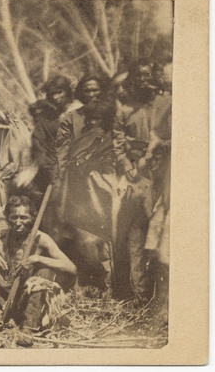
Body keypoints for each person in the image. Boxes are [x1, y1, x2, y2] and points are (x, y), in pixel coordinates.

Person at [0, 195, 76, 346]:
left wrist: (38, 259)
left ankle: (29, 327)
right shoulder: (0, 237)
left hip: (25, 299)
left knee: (44, 272)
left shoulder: (41, 239)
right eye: (14, 217)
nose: (18, 223)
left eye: (24, 218)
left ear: (32, 218)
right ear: (7, 218)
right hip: (0, 294)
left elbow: (71, 268)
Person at [112, 58, 171, 303]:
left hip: (164, 171)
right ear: (132, 79)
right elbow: (117, 142)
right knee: (135, 230)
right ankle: (139, 293)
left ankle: (162, 293)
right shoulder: (124, 108)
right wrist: (129, 167)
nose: (144, 80)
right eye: (140, 76)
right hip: (136, 174)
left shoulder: (166, 103)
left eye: (149, 75)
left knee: (161, 231)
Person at [55, 98, 117, 290]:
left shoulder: (108, 137)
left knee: (103, 237)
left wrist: (91, 164)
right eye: (89, 119)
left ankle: (107, 281)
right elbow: (70, 158)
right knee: (82, 235)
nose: (92, 123)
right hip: (79, 189)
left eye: (97, 119)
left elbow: (110, 160)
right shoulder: (81, 138)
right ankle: (93, 279)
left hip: (102, 189)